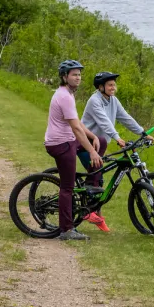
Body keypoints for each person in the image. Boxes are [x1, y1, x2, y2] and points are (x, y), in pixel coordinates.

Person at [79, 71, 150, 231]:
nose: (114, 88)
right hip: (86, 144)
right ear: (101, 87)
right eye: (110, 85)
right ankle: (89, 213)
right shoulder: (94, 101)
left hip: (100, 145)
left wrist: (142, 132)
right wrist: (117, 138)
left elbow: (125, 117)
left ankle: (95, 215)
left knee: (98, 178)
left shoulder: (113, 100)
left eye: (114, 84)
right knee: (97, 177)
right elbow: (104, 122)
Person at [44, 60, 101, 241]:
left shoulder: (67, 93)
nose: (78, 78)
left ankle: (91, 183)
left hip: (68, 140)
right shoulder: (65, 96)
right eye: (74, 74)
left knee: (103, 142)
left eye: (79, 74)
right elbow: (76, 129)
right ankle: (66, 230)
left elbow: (77, 123)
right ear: (64, 76)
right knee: (67, 187)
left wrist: (93, 137)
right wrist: (91, 151)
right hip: (61, 144)